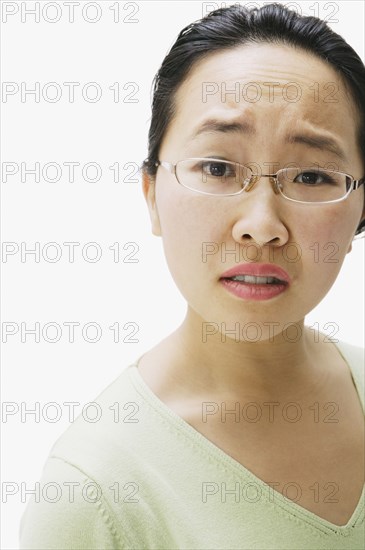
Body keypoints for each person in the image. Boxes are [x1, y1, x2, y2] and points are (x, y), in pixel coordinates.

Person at [19, 3, 365, 549]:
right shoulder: (96, 488)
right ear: (152, 195)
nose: (262, 226)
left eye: (312, 174)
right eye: (219, 168)